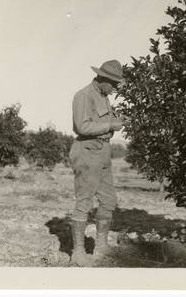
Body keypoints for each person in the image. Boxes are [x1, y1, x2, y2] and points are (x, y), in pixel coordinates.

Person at [68, 60, 124, 267]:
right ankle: (78, 253)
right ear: (102, 78)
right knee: (84, 201)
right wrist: (110, 124)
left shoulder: (103, 96)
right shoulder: (84, 96)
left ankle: (100, 247)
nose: (116, 88)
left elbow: (101, 123)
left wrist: (114, 121)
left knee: (109, 200)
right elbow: (82, 127)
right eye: (114, 84)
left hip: (102, 151)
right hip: (87, 151)